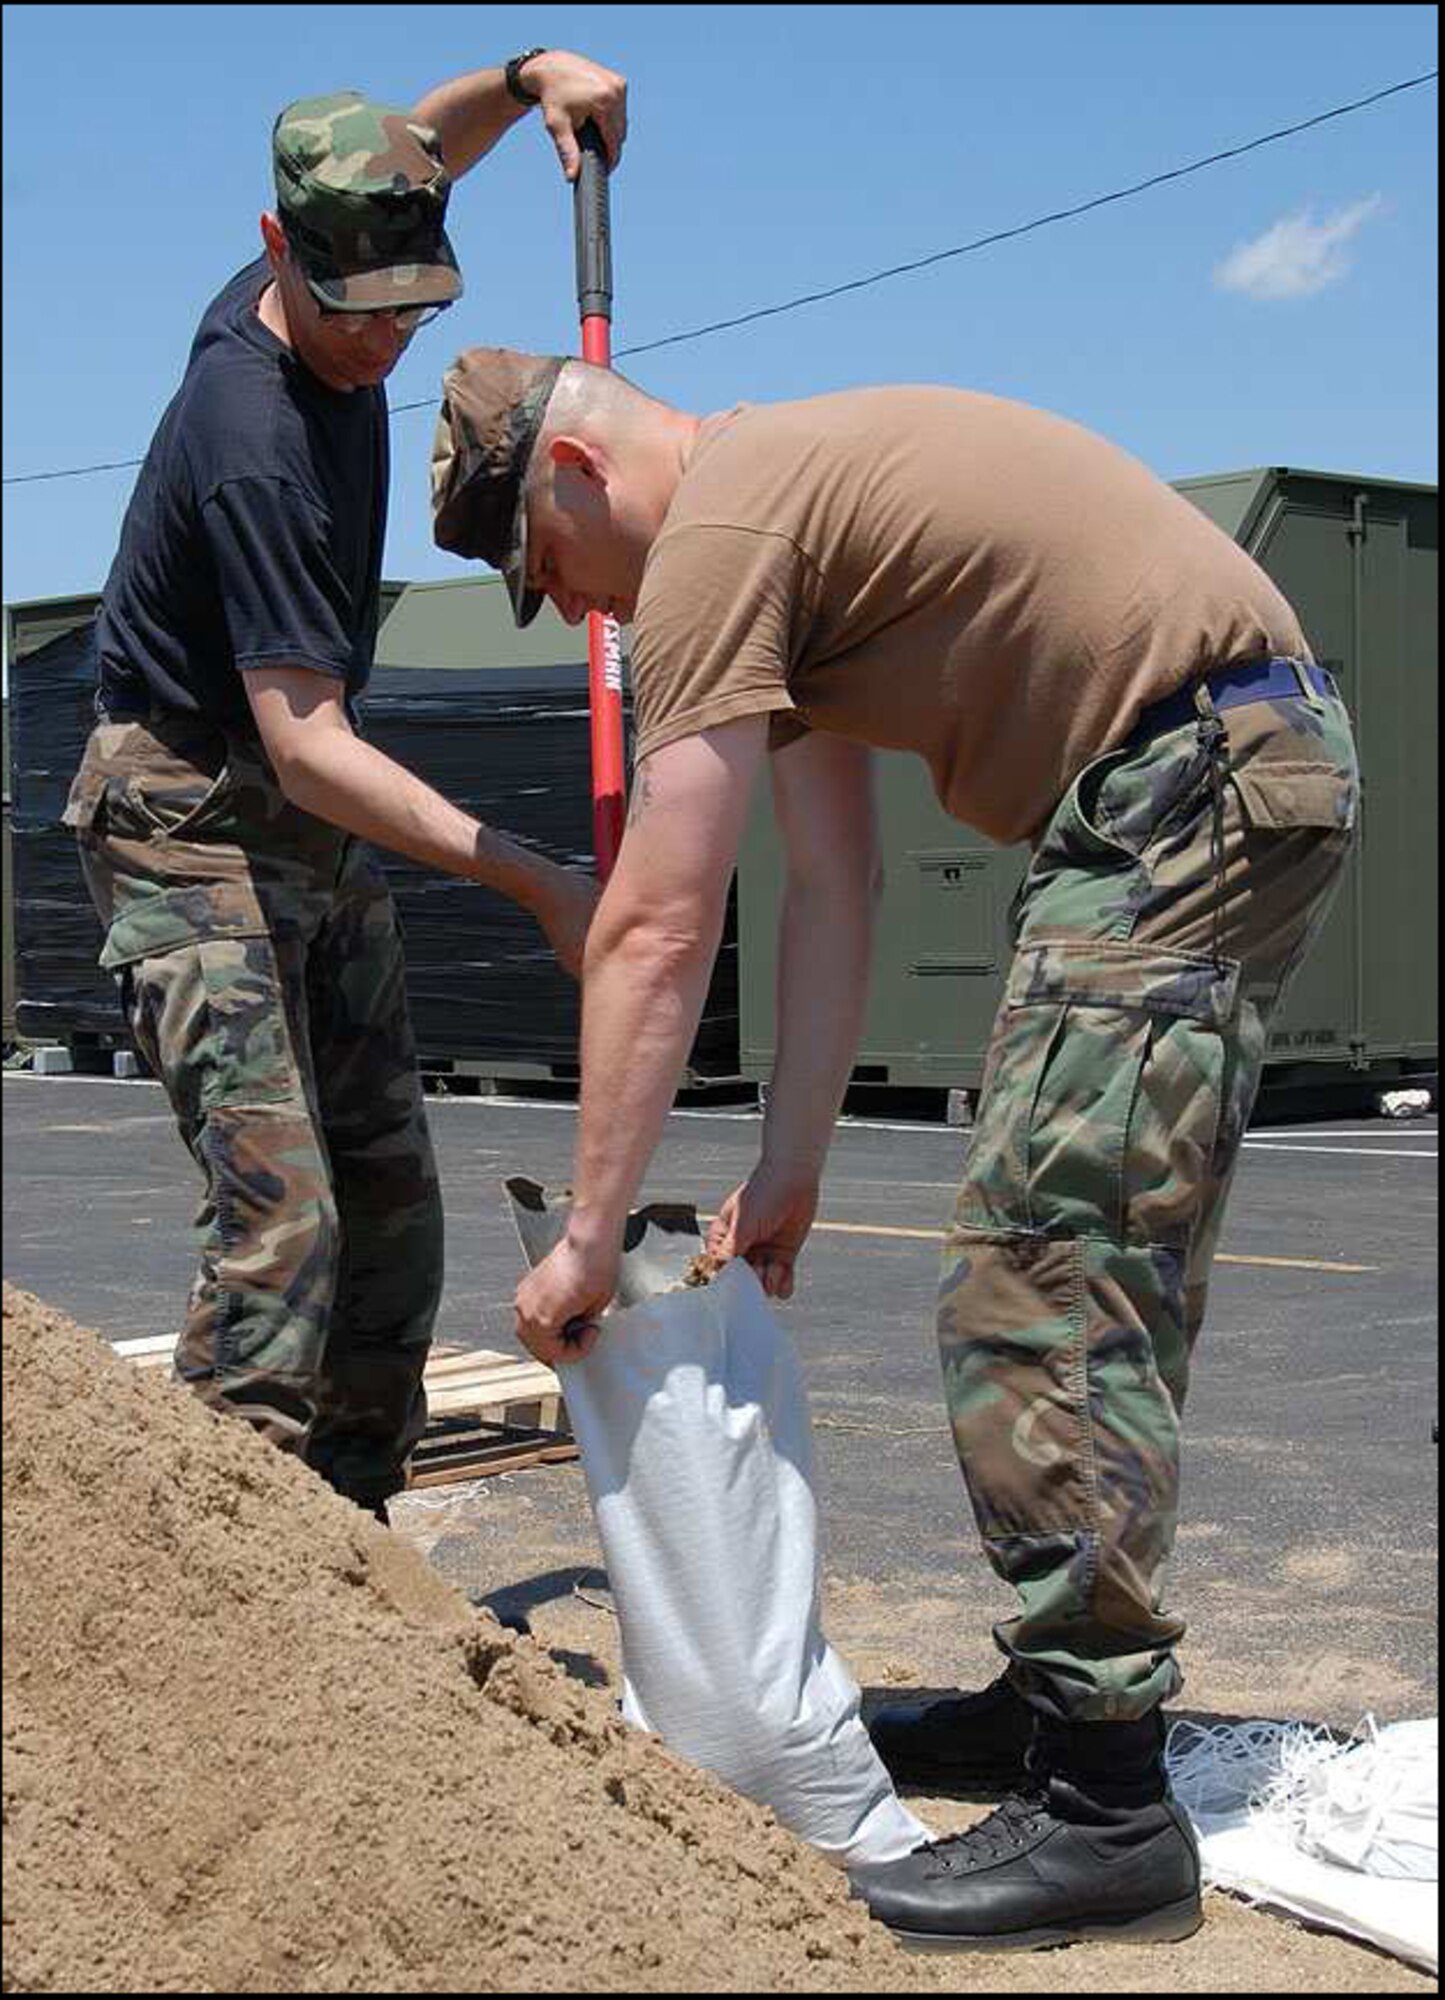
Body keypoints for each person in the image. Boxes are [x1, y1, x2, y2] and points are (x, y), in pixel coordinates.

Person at [429, 347, 1360, 1949]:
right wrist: (789, 1168)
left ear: (575, 475)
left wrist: (588, 1233)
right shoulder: (775, 524)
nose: (586, 611)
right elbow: (832, 885)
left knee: (1041, 1290)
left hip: (1180, 784)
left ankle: (1105, 1810)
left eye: (555, 573)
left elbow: (660, 920)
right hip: (1198, 778)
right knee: (1072, 1266)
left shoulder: (716, 537)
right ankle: (1050, 1710)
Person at [62, 51, 626, 1525]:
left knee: (392, 1217)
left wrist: (525, 78)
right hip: (183, 811)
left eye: (412, 310)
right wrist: (537, 876)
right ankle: (218, 1582)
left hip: (294, 808)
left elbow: (415, 152)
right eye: (356, 315)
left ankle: (352, 1559)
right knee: (284, 1228)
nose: (385, 345)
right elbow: (309, 744)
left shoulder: (337, 256)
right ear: (276, 257)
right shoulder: (249, 440)